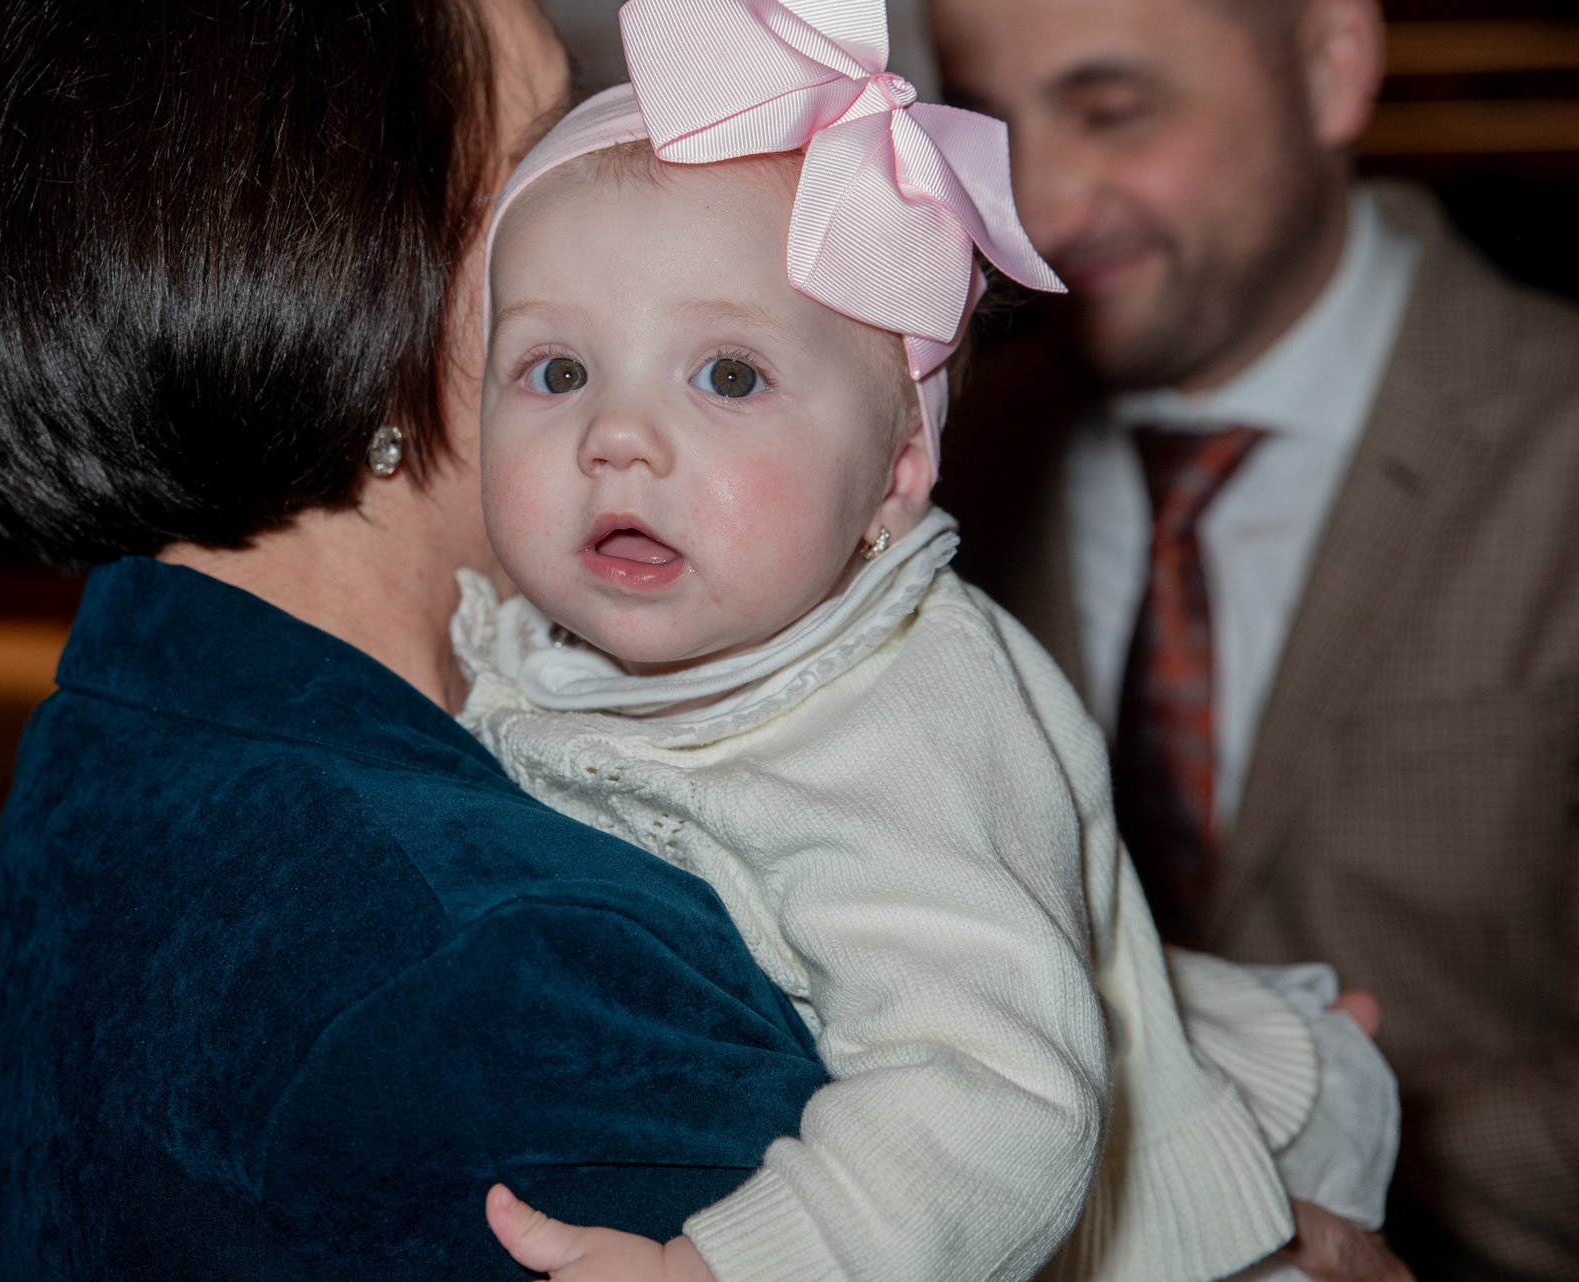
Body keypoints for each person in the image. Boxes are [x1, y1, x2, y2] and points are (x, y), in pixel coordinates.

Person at [0, 0, 844, 1273]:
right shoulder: (496, 954)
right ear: (368, 298)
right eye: (542, 153)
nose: (620, 210)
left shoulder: (120, 731)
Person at [456, 4, 1397, 1277]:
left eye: (729, 375)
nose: (613, 436)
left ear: (897, 472)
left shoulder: (903, 719)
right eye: (557, 371)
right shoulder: (532, 644)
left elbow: (993, 1092)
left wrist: (731, 1269)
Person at [924, 0, 1579, 1276]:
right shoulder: (926, 458)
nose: (1040, 211)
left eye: (1113, 111)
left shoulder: (1553, 439)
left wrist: (1281, 1160)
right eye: (991, 131)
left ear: (1333, 64)